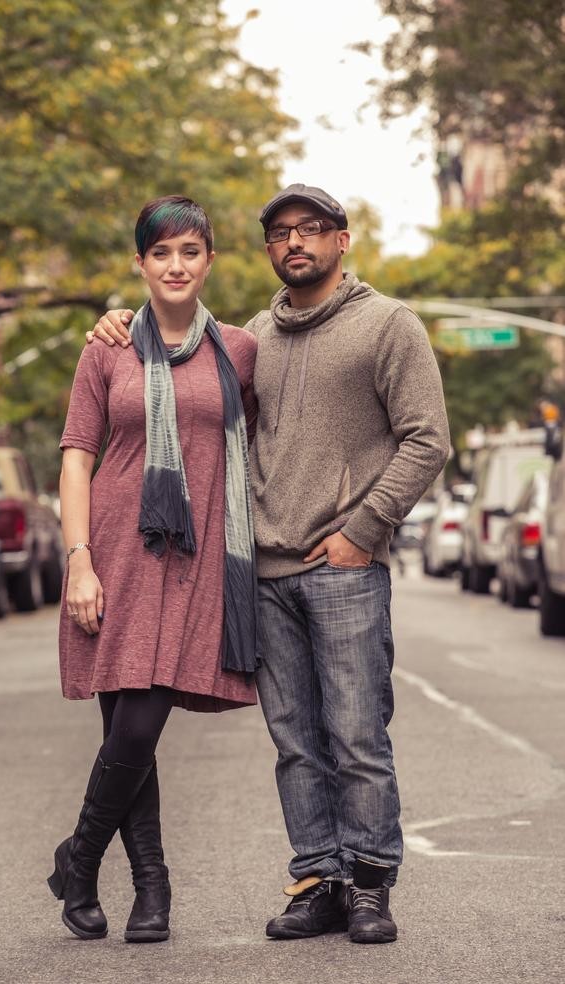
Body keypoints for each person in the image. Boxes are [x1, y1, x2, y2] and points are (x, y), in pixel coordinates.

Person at [90, 183, 450, 944]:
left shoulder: (388, 325)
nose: (296, 243)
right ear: (264, 250)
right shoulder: (248, 338)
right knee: (294, 741)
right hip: (259, 571)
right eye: (281, 232)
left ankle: (369, 886)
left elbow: (427, 440)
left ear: (341, 240)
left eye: (312, 229)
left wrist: (364, 528)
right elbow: (187, 382)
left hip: (344, 567)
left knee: (356, 734)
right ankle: (317, 877)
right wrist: (117, 323)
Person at [48, 195, 259, 944]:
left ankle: (79, 860)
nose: (175, 266)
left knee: (140, 720)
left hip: (200, 558)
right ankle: (150, 891)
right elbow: (77, 458)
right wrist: (79, 562)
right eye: (160, 253)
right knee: (125, 725)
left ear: (208, 261)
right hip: (117, 548)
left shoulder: (239, 348)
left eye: (189, 252)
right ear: (140, 263)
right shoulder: (105, 349)